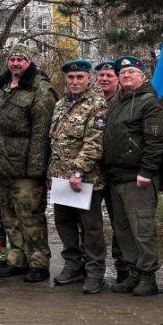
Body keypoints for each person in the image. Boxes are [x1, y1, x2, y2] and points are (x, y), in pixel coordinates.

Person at [0, 46, 57, 282]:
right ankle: (17, 259)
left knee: (30, 216)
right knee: (9, 217)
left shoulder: (40, 89)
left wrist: (37, 170)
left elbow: (41, 133)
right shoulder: (1, 86)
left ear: (29, 62)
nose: (15, 63)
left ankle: (39, 262)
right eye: (12, 59)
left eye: (20, 59)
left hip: (26, 168)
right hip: (3, 165)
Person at [102, 54, 163, 295]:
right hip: (116, 177)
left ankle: (148, 277)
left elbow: (156, 140)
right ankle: (133, 274)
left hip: (137, 178)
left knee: (142, 230)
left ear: (142, 76)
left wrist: (147, 170)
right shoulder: (117, 103)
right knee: (123, 230)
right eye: (122, 73)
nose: (126, 75)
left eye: (131, 72)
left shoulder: (149, 103)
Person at [48, 59, 108, 294]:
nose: (74, 81)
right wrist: (51, 175)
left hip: (84, 179)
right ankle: (73, 266)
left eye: (79, 77)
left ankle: (94, 272)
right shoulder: (61, 104)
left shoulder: (97, 104)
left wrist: (78, 171)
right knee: (65, 225)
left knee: (91, 229)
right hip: (61, 177)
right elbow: (55, 141)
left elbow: (94, 143)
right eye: (71, 77)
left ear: (88, 78)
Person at [94, 59, 128, 282]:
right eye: (101, 75)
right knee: (90, 223)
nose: (104, 79)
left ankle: (123, 266)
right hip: (92, 172)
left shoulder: (124, 101)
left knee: (120, 222)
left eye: (110, 75)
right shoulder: (91, 101)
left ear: (118, 79)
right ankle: (90, 266)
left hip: (116, 172)